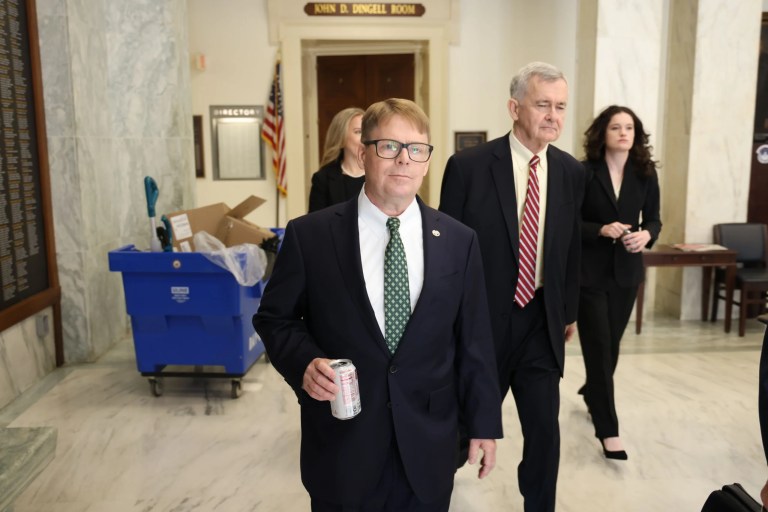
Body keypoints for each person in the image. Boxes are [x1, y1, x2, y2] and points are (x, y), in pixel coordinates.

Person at [254, 98, 503, 512]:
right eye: (389, 146)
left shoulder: (460, 241)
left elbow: (475, 340)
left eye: (416, 149)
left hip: (428, 445)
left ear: (426, 162)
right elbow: (274, 318)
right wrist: (304, 363)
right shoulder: (311, 236)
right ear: (363, 152)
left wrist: (484, 425)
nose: (403, 160)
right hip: (342, 446)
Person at [439, 62, 584, 512]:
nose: (553, 116)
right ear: (514, 107)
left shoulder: (571, 172)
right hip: (483, 325)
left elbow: (570, 248)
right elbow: (448, 254)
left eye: (560, 106)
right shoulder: (469, 167)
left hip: (541, 321)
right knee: (460, 429)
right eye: (543, 104)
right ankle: (429, 497)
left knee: (545, 431)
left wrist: (569, 311)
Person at [576, 105, 662, 461]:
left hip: (627, 271)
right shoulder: (583, 172)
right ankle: (608, 429)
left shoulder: (645, 173)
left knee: (610, 345)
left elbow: (655, 220)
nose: (624, 133)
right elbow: (569, 223)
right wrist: (599, 229)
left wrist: (646, 236)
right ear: (603, 133)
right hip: (589, 274)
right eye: (616, 127)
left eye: (629, 127)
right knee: (598, 347)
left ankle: (592, 391)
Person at [308, 107, 366, 212]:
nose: (365, 138)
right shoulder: (322, 179)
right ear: (341, 136)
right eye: (358, 132)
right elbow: (314, 224)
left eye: (366, 132)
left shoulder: (379, 174)